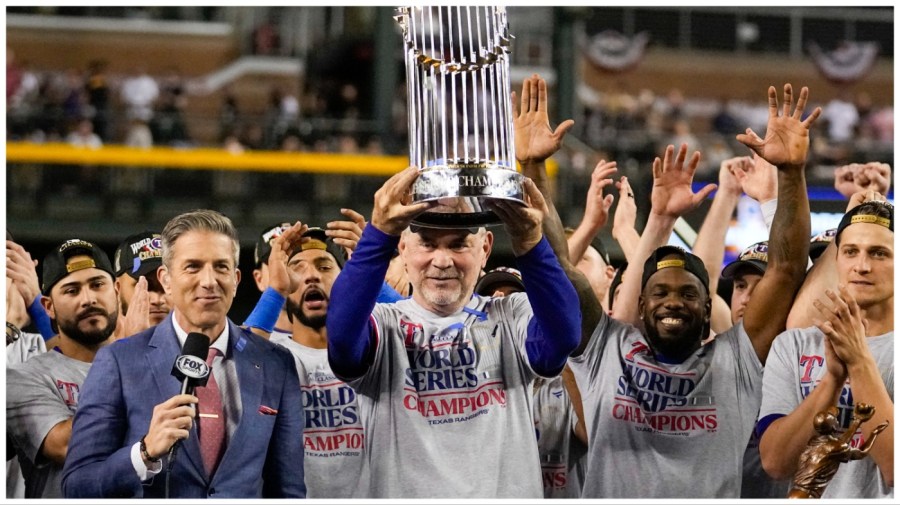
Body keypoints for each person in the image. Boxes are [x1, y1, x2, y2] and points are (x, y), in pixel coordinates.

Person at [520, 76, 818, 497]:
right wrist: (532, 168)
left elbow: (786, 269)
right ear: (640, 304)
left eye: (688, 293)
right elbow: (557, 271)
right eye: (660, 293)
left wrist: (791, 173)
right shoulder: (608, 347)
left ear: (706, 304)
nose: (673, 302)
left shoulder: (736, 360)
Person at [325, 165, 581, 498]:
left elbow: (564, 336)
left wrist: (531, 243)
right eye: (427, 244)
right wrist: (379, 233)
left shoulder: (510, 313)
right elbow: (342, 338)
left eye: (459, 245)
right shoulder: (384, 325)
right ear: (402, 248)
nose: (442, 260)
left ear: (485, 248)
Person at [61, 209, 306, 498]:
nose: (209, 281)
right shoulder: (119, 362)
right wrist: (144, 453)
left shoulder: (275, 363)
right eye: (193, 266)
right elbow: (77, 486)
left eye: (221, 267)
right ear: (166, 279)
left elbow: (288, 490)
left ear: (237, 279)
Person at [757, 199, 893, 498]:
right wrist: (831, 381)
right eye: (850, 252)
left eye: (879, 253)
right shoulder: (792, 345)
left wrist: (858, 363)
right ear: (837, 260)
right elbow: (776, 463)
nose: (862, 266)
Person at [7, 239, 119, 497]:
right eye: (72, 291)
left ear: (116, 289)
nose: (89, 299)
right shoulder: (22, 377)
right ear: (48, 307)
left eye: (97, 285)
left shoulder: (150, 359)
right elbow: (70, 446)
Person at [268, 226, 362, 498]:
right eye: (297, 267)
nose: (311, 276)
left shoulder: (375, 346)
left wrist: (371, 273)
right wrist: (275, 290)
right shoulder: (270, 353)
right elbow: (234, 357)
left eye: (324, 267)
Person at [113, 231, 170, 332]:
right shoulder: (98, 346)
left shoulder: (202, 345)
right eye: (145, 287)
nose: (157, 300)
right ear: (118, 289)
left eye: (167, 284)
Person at [251, 223, 294, 340]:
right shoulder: (240, 343)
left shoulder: (338, 337)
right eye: (276, 265)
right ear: (259, 279)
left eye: (296, 263)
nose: (287, 273)